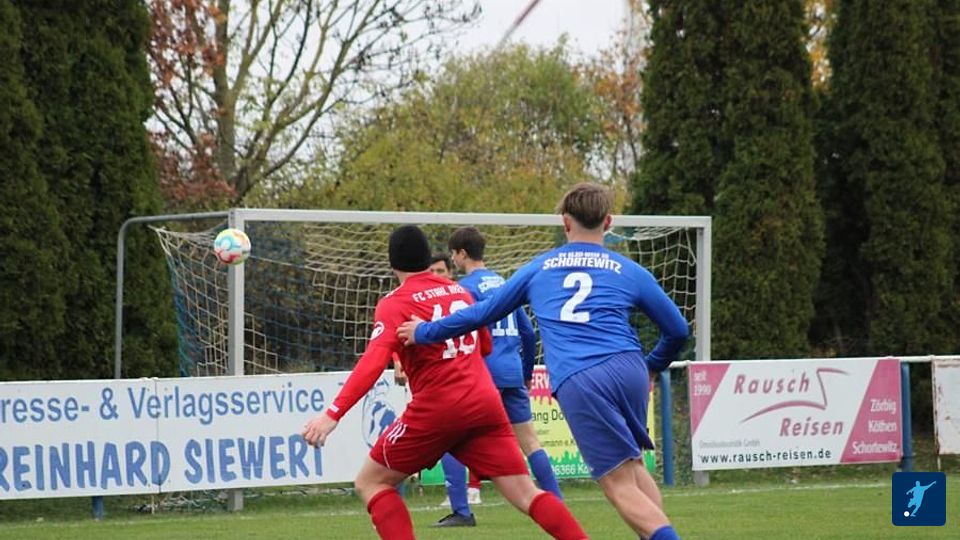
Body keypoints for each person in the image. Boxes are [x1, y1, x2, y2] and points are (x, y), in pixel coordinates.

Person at [397, 183, 690, 540]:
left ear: (565, 222)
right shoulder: (629, 270)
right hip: (630, 369)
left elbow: (481, 314)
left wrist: (425, 331)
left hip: (583, 376)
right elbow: (678, 330)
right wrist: (652, 365)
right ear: (608, 222)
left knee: (618, 484)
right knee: (632, 468)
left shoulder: (540, 268)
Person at [302, 225, 588, 540]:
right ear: (428, 258)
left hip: (438, 407)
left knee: (371, 481)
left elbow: (373, 360)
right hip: (484, 402)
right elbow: (485, 345)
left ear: (392, 263)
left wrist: (333, 414)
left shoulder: (394, 303)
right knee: (525, 492)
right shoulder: (459, 291)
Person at [433, 227, 563, 528]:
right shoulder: (505, 282)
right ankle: (556, 504)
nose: (453, 259)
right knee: (530, 441)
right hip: (512, 372)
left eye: (453, 254)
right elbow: (528, 333)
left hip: (482, 374)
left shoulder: (465, 289)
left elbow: (460, 332)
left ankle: (461, 512)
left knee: (451, 437)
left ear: (462, 254)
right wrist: (526, 373)